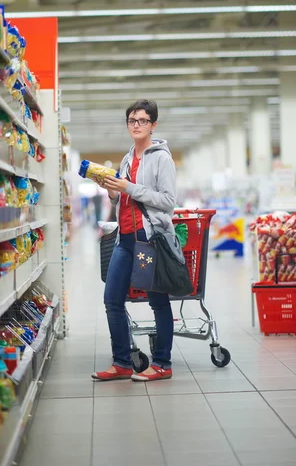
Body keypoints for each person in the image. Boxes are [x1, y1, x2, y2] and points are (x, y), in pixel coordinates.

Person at [92, 99, 176, 382]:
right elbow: (124, 198)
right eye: (132, 120)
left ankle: (162, 363)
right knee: (112, 299)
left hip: (148, 240)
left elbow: (167, 201)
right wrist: (113, 191)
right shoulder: (128, 158)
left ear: (153, 125)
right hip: (124, 239)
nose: (136, 125)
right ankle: (122, 362)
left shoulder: (162, 158)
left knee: (157, 301)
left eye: (142, 120)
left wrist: (130, 187)